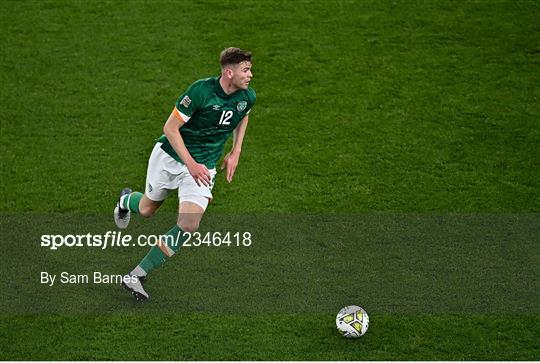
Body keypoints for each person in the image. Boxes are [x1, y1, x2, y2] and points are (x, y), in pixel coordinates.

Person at [114, 47, 255, 301]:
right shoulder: (201, 92)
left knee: (189, 224)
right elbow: (170, 128)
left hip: (203, 167)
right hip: (171, 157)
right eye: (245, 70)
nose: (250, 75)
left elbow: (243, 115)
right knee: (147, 209)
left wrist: (236, 151)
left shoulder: (247, 96)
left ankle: (137, 274)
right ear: (228, 72)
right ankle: (125, 200)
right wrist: (190, 163)